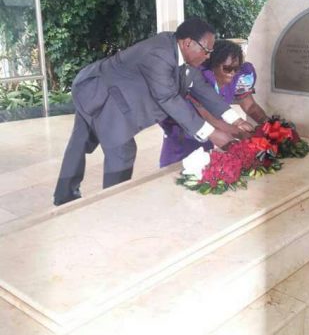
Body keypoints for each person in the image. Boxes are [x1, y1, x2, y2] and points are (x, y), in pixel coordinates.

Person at [53, 18, 253, 206]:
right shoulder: (160, 53)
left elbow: (203, 91)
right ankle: (113, 206)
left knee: (80, 140)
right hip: (98, 90)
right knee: (121, 150)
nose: (208, 56)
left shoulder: (187, 61)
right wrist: (210, 133)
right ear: (188, 43)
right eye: (206, 50)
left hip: (113, 93)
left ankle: (64, 196)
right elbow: (168, 98)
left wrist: (235, 120)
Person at [160, 39, 267, 167]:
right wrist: (242, 140)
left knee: (207, 166)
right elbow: (211, 120)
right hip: (183, 136)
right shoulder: (199, 80)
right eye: (227, 68)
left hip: (208, 136)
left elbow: (250, 106)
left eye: (236, 68)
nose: (232, 73)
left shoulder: (237, 77)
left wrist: (269, 126)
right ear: (214, 65)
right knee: (180, 175)